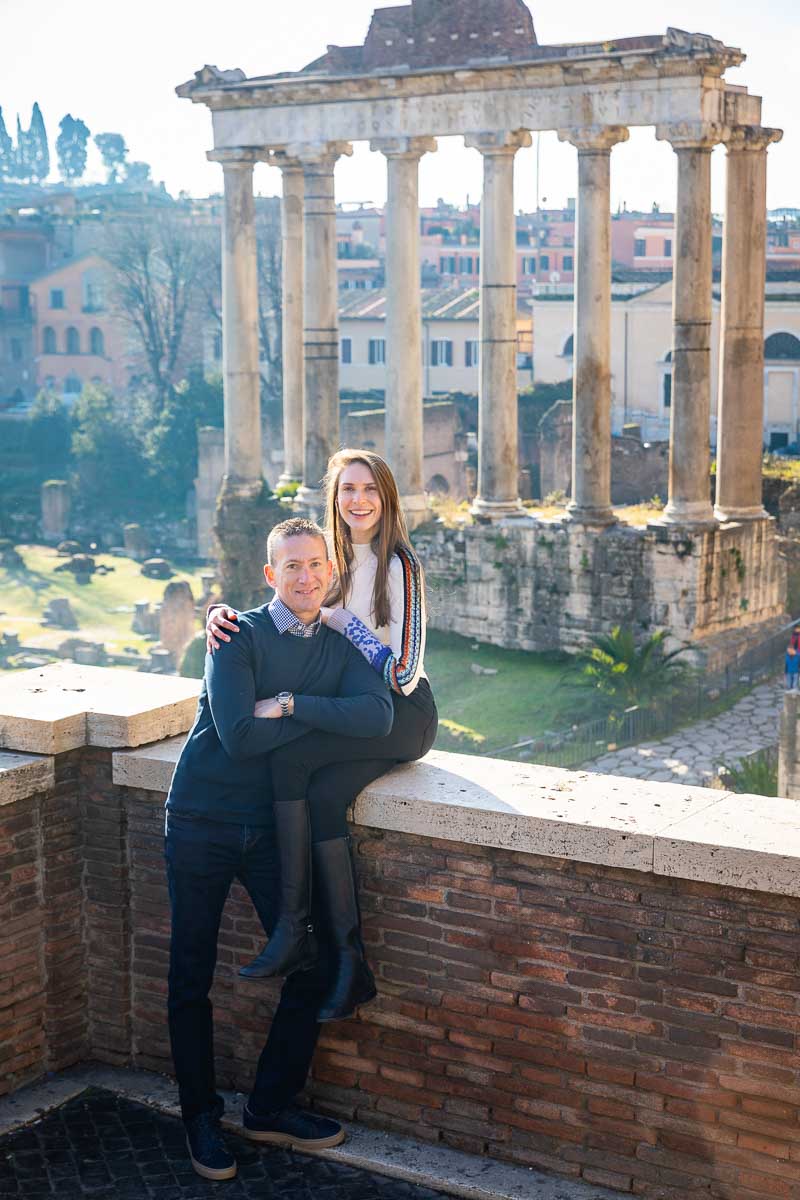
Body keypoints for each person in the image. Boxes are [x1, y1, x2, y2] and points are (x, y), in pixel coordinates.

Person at [165, 516, 393, 1182]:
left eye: (316, 564)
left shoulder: (340, 641)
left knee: (316, 963)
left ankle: (268, 1105)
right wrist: (325, 716)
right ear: (270, 574)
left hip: (269, 829)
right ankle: (199, 1119)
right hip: (202, 819)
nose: (306, 576)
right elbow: (236, 737)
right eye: (291, 565)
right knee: (189, 977)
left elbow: (377, 716)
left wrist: (291, 705)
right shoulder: (235, 632)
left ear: (330, 570)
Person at [206, 448, 438, 1021]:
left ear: (385, 497)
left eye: (370, 490)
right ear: (334, 498)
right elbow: (284, 604)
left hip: (401, 715)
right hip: (345, 709)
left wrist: (343, 622)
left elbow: (405, 671)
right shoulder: (326, 558)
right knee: (323, 792)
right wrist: (219, 615)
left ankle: (300, 933)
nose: (358, 500)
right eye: (347, 490)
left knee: (291, 761)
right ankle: (341, 960)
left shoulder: (400, 564)